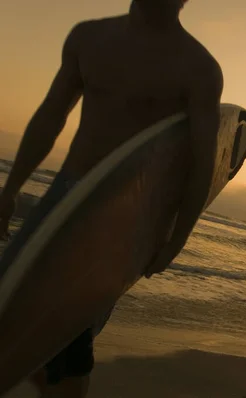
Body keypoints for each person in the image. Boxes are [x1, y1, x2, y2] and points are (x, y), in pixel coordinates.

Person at [0, 0, 223, 396]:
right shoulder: (89, 37)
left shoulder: (198, 67)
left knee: (67, 336)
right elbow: (51, 115)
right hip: (62, 197)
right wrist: (11, 188)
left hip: (117, 220)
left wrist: (177, 239)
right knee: (15, 306)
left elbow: (201, 164)